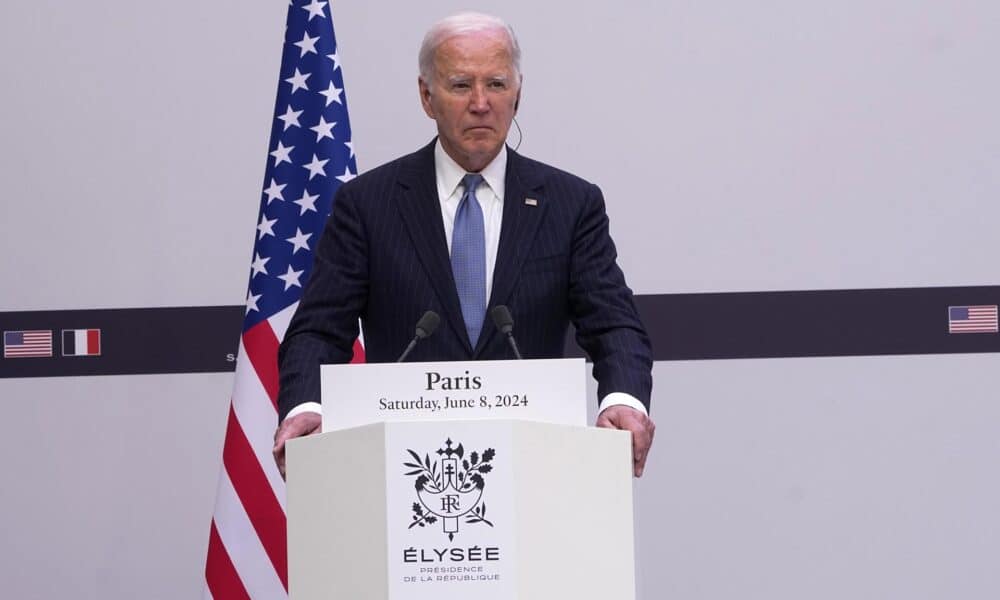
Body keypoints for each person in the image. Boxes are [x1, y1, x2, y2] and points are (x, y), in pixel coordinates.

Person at [273, 12, 655, 477]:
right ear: (426, 96)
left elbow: (615, 325)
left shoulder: (571, 203)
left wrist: (622, 399)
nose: (480, 103)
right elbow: (318, 331)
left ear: (518, 94)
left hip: (535, 471)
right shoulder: (367, 204)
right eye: (460, 85)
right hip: (401, 471)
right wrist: (305, 405)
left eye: (496, 84)